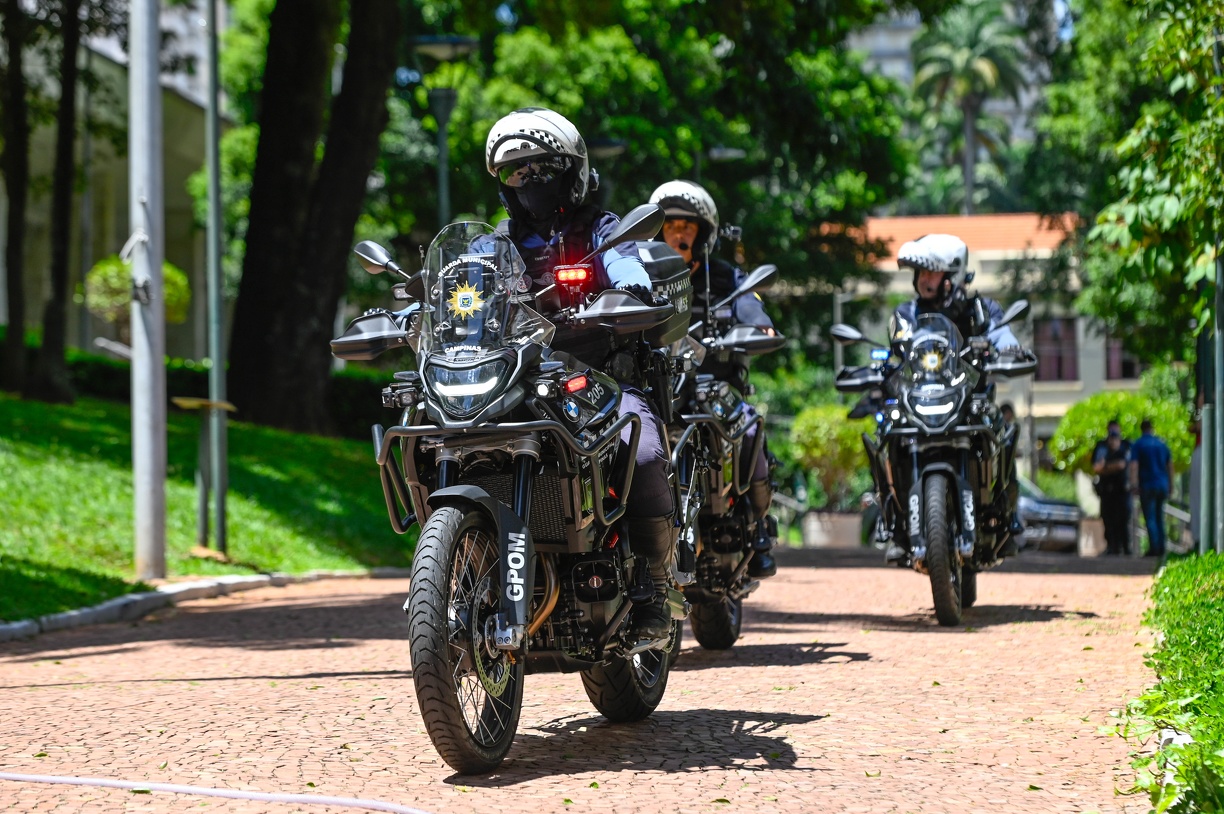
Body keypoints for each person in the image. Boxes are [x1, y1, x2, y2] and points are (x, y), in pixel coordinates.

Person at [485, 107, 676, 639]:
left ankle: (654, 589)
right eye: (514, 172)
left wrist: (629, 290)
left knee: (642, 449)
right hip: (515, 384)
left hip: (596, 381)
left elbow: (626, 263)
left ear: (572, 169)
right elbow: (463, 288)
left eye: (541, 169)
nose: (528, 183)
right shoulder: (494, 241)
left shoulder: (603, 228)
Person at [649, 179, 778, 578]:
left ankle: (758, 530)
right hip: (658, 386)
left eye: (689, 226)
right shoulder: (639, 277)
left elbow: (752, 309)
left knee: (751, 426)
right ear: (658, 231)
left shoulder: (726, 278)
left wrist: (759, 327)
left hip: (711, 385)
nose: (680, 232)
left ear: (703, 234)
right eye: (672, 225)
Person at [890, 233, 1026, 557]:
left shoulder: (980, 308)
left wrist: (1009, 348)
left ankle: (1007, 515)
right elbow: (895, 348)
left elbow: (1002, 331)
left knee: (1002, 431)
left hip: (970, 402)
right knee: (888, 431)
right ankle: (895, 522)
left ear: (951, 276)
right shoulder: (906, 314)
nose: (923, 280)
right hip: (920, 403)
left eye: (931, 273)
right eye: (921, 273)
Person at [1129, 418, 1174, 558]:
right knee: (1160, 517)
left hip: (1147, 485)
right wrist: (1171, 485)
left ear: (1141, 429)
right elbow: (1170, 466)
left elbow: (1134, 466)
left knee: (1150, 518)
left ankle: (1154, 548)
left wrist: (1134, 484)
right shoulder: (1162, 443)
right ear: (1151, 428)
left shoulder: (1138, 444)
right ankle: (1162, 548)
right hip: (1162, 485)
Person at [1092, 419, 1132, 555]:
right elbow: (1097, 467)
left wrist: (1106, 467)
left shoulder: (1126, 446)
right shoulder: (1102, 447)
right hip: (1107, 491)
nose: (1113, 439)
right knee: (1108, 520)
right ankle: (1112, 547)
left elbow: (1122, 465)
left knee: (1123, 520)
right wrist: (1110, 467)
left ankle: (1125, 548)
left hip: (1122, 491)